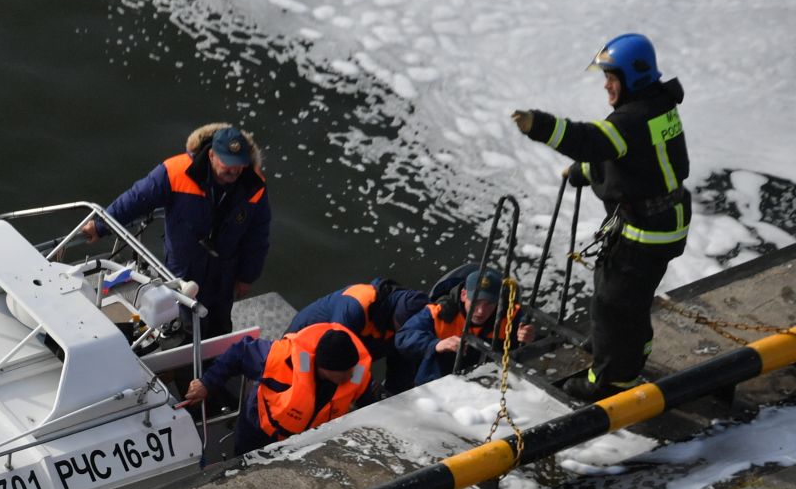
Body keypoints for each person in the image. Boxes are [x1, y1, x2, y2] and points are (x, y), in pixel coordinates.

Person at [511, 32, 690, 400]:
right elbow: (642, 162)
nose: (606, 85)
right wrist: (589, 172)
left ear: (633, 77)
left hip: (646, 230)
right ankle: (626, 350)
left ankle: (611, 380)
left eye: (612, 76)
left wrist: (539, 125)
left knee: (614, 302)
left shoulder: (630, 121)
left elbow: (592, 141)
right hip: (663, 218)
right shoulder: (658, 105)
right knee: (628, 298)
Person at [79, 123, 272, 339]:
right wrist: (100, 225)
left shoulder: (255, 187)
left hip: (224, 274)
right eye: (228, 163)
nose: (235, 170)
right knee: (183, 328)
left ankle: (213, 366)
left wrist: (247, 276)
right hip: (182, 271)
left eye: (240, 164)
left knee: (219, 327)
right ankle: (184, 368)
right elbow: (136, 199)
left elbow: (258, 236)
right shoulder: (175, 171)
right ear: (211, 155)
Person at [180, 322, 371, 455]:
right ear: (326, 367)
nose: (351, 375)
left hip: (308, 441)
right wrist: (207, 383)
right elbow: (240, 353)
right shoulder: (280, 357)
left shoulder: (354, 374)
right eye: (345, 371)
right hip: (259, 430)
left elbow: (369, 398)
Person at [389, 266, 536, 394]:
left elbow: (528, 347)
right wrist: (436, 345)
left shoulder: (510, 317)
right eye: (476, 302)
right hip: (435, 389)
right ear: (463, 295)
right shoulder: (439, 313)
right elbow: (403, 337)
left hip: (487, 389)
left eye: (489, 304)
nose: (480, 311)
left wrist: (528, 338)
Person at [287, 278, 429, 352]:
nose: (404, 333)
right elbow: (335, 350)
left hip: (350, 349)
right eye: (403, 329)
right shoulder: (356, 304)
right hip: (304, 345)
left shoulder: (398, 326)